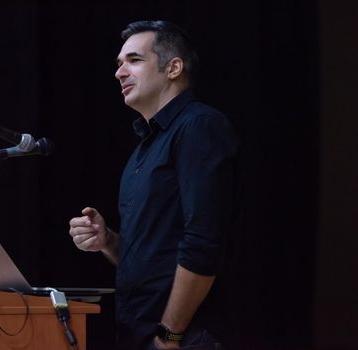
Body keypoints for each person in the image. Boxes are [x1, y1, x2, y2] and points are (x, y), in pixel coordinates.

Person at [69, 20, 238, 350]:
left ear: (173, 68)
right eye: (119, 64)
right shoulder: (145, 148)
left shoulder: (199, 126)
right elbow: (155, 257)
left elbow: (204, 243)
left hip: (185, 337)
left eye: (134, 60)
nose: (119, 72)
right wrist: (108, 241)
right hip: (140, 333)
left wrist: (169, 333)